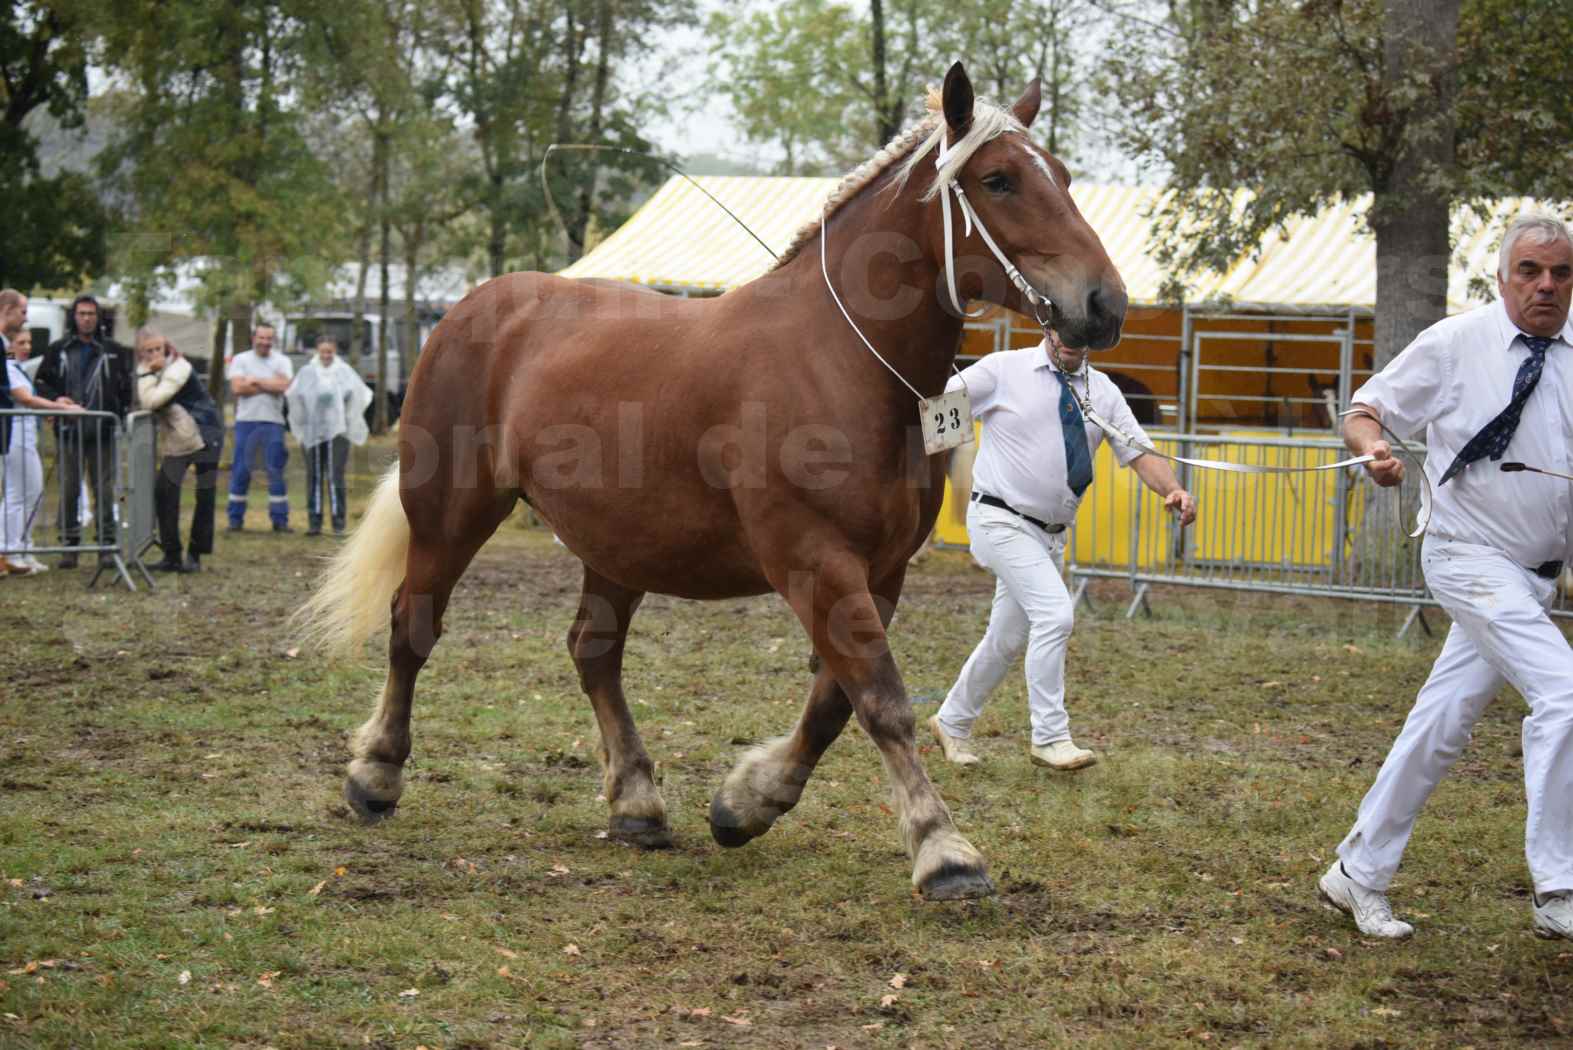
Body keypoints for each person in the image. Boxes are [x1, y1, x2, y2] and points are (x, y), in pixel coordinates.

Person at [1319, 214, 1573, 942]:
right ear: (1501, 277)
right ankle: (1558, 885)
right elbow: (1364, 410)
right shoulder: (1455, 343)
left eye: (1560, 273)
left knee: (1439, 726)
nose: (1546, 285)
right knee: (1562, 691)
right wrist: (1374, 451)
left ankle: (1356, 873)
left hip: (1534, 578)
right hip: (1464, 555)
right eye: (1529, 270)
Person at [928, 329, 1196, 771]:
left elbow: (1137, 449)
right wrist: (935, 473)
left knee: (1008, 637)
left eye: (1082, 335)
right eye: (1064, 332)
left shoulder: (1102, 391)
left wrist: (1173, 489)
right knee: (1055, 615)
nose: (1071, 343)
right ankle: (1050, 737)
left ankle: (952, 722)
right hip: (998, 517)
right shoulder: (1003, 369)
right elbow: (938, 415)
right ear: (1047, 327)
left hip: (1051, 533)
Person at [33, 294, 134, 568]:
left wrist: (121, 419)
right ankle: (69, 545)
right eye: (82, 313)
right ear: (74, 316)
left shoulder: (113, 350)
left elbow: (127, 388)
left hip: (103, 433)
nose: (86, 318)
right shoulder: (59, 349)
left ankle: (105, 546)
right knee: (69, 491)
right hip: (69, 433)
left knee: (103, 492)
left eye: (91, 313)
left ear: (98, 316)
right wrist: (56, 401)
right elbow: (41, 382)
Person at [135, 330, 225, 573]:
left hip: (207, 432)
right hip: (180, 438)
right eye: (149, 351)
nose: (155, 354)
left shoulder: (179, 368)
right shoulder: (150, 371)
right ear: (141, 353)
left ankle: (195, 555)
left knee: (204, 494)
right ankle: (171, 554)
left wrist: (146, 374)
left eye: (158, 349)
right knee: (164, 491)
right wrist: (148, 373)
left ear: (167, 348)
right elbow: (148, 399)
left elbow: (152, 401)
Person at [5, 329, 84, 575]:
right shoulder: (7, 369)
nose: (27, 346)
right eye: (21, 342)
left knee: (32, 493)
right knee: (17, 494)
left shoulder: (17, 369)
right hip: (14, 434)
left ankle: (23, 549)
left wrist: (54, 406)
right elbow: (24, 399)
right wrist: (60, 408)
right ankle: (8, 550)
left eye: (29, 341)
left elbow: (30, 400)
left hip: (27, 434)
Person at [285, 337, 371, 536]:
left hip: (337, 432)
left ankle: (338, 521)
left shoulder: (344, 371)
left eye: (329, 352)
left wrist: (345, 410)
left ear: (334, 352)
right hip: (312, 430)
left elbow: (360, 394)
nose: (326, 356)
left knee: (335, 476)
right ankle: (314, 522)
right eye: (322, 351)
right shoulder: (307, 372)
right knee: (314, 475)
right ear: (317, 351)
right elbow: (294, 395)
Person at [226, 322, 294, 532]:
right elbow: (237, 387)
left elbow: (285, 386)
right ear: (253, 338)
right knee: (241, 470)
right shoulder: (240, 359)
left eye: (268, 338)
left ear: (273, 340)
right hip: (246, 421)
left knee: (275, 470)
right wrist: (270, 385)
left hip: (273, 422)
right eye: (261, 338)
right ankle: (235, 520)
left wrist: (255, 382)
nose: (265, 342)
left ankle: (280, 520)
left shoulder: (282, 360)